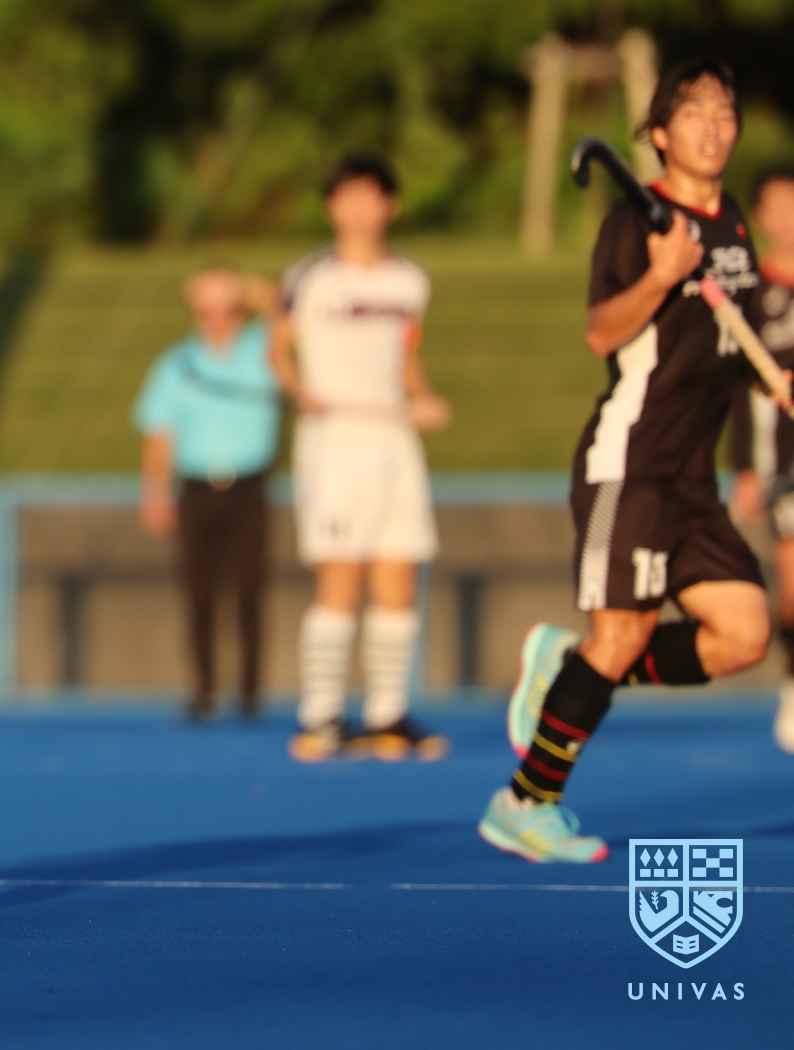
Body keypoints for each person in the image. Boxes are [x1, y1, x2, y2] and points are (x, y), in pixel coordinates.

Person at [483, 60, 775, 864]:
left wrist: (773, 378)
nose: (712, 128)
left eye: (724, 112)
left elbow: (733, 338)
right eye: (694, 114)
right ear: (660, 135)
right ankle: (525, 802)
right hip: (632, 464)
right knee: (622, 631)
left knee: (744, 634)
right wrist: (661, 276)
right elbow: (602, 332)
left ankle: (570, 667)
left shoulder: (731, 223)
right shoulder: (635, 225)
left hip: (694, 479)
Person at [272, 155, 452, 762]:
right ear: (331, 208)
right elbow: (278, 347)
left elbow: (406, 355)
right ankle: (322, 714)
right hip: (336, 437)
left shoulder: (410, 281)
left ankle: (386, 713)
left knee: (399, 574)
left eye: (370, 197)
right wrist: (299, 389)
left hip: (392, 437)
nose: (358, 210)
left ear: (389, 206)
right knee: (340, 576)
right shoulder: (311, 277)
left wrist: (423, 396)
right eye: (346, 198)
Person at [133, 267, 283, 720]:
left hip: (250, 485)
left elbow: (286, 307)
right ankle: (204, 689)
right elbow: (159, 435)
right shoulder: (176, 363)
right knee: (198, 593)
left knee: (250, 592)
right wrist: (155, 493)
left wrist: (238, 284)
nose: (219, 319)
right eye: (208, 310)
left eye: (228, 309)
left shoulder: (263, 351)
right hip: (196, 489)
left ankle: (250, 693)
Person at [727, 162, 794, 753]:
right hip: (785, 464)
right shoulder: (752, 293)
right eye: (778, 207)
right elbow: (736, 388)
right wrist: (744, 469)